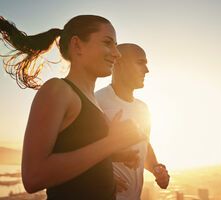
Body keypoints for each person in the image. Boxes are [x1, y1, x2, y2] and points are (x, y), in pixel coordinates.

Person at [0, 16, 146, 200]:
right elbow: (33, 176)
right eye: (108, 43)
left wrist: (115, 155)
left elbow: (75, 150)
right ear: (77, 45)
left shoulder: (91, 99)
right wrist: (111, 143)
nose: (117, 53)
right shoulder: (58, 90)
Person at [95, 43, 170, 200]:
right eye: (140, 62)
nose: (147, 70)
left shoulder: (143, 108)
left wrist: (156, 167)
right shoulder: (96, 102)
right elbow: (77, 152)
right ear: (119, 63)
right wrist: (100, 179)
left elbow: (144, 146)